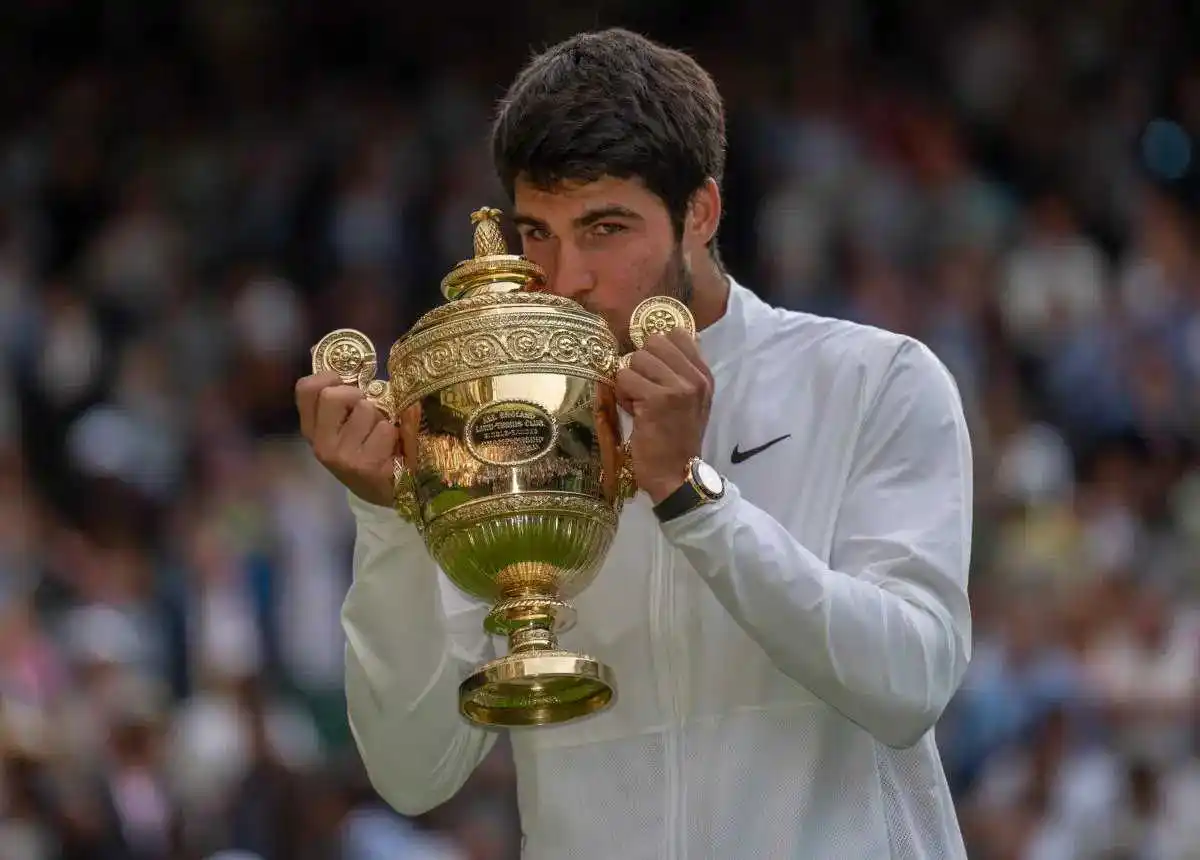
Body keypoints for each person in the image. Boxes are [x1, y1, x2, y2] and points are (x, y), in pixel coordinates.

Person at [294, 28, 974, 860]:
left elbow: (911, 683)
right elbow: (413, 771)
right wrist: (389, 520)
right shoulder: (496, 424)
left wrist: (689, 497)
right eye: (536, 232)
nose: (566, 275)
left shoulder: (876, 380)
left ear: (701, 211)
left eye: (604, 228)